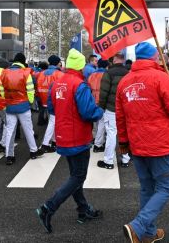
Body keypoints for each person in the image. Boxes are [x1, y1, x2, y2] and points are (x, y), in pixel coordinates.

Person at [116, 42, 169, 243]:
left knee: (147, 188)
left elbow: (120, 116)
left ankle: (149, 233)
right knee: (165, 187)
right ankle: (138, 225)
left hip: (136, 143)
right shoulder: (161, 78)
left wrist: (123, 141)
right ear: (154, 57)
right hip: (159, 143)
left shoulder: (125, 81)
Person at [35, 49, 105, 233]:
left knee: (76, 176)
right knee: (78, 176)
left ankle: (83, 210)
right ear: (82, 66)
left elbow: (51, 108)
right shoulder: (80, 85)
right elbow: (88, 112)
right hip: (79, 136)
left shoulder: (57, 83)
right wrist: (100, 111)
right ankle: (48, 208)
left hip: (63, 135)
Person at [0, 53, 42, 166]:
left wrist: (7, 101)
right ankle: (33, 151)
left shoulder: (4, 73)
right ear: (23, 62)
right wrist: (30, 102)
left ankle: (9, 155)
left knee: (10, 131)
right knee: (28, 129)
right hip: (23, 105)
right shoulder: (25, 73)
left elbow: (1, 90)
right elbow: (30, 90)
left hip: (10, 105)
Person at [96, 50, 131, 169]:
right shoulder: (129, 73)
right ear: (123, 60)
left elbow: (104, 93)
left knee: (111, 134)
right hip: (126, 109)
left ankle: (109, 161)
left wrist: (101, 107)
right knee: (125, 134)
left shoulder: (108, 73)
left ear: (115, 59)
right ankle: (125, 159)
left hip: (111, 108)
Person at [36, 55, 64, 153]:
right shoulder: (59, 74)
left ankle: (53, 142)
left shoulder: (41, 73)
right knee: (52, 122)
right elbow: (61, 89)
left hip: (43, 100)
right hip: (54, 101)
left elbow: (37, 86)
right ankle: (45, 144)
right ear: (58, 63)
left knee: (52, 122)